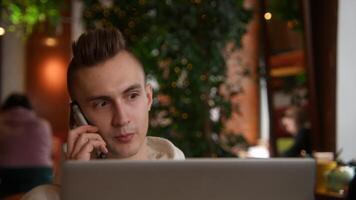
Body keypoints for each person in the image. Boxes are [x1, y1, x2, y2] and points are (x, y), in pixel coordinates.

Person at [21, 28, 184, 200]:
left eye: (132, 96)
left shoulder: (187, 182)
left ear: (149, 98)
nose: (122, 119)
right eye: (103, 104)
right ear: (77, 116)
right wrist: (79, 188)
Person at [0, 93, 53, 199]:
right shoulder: (43, 125)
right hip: (40, 174)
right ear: (29, 108)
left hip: (7, 175)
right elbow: (49, 152)